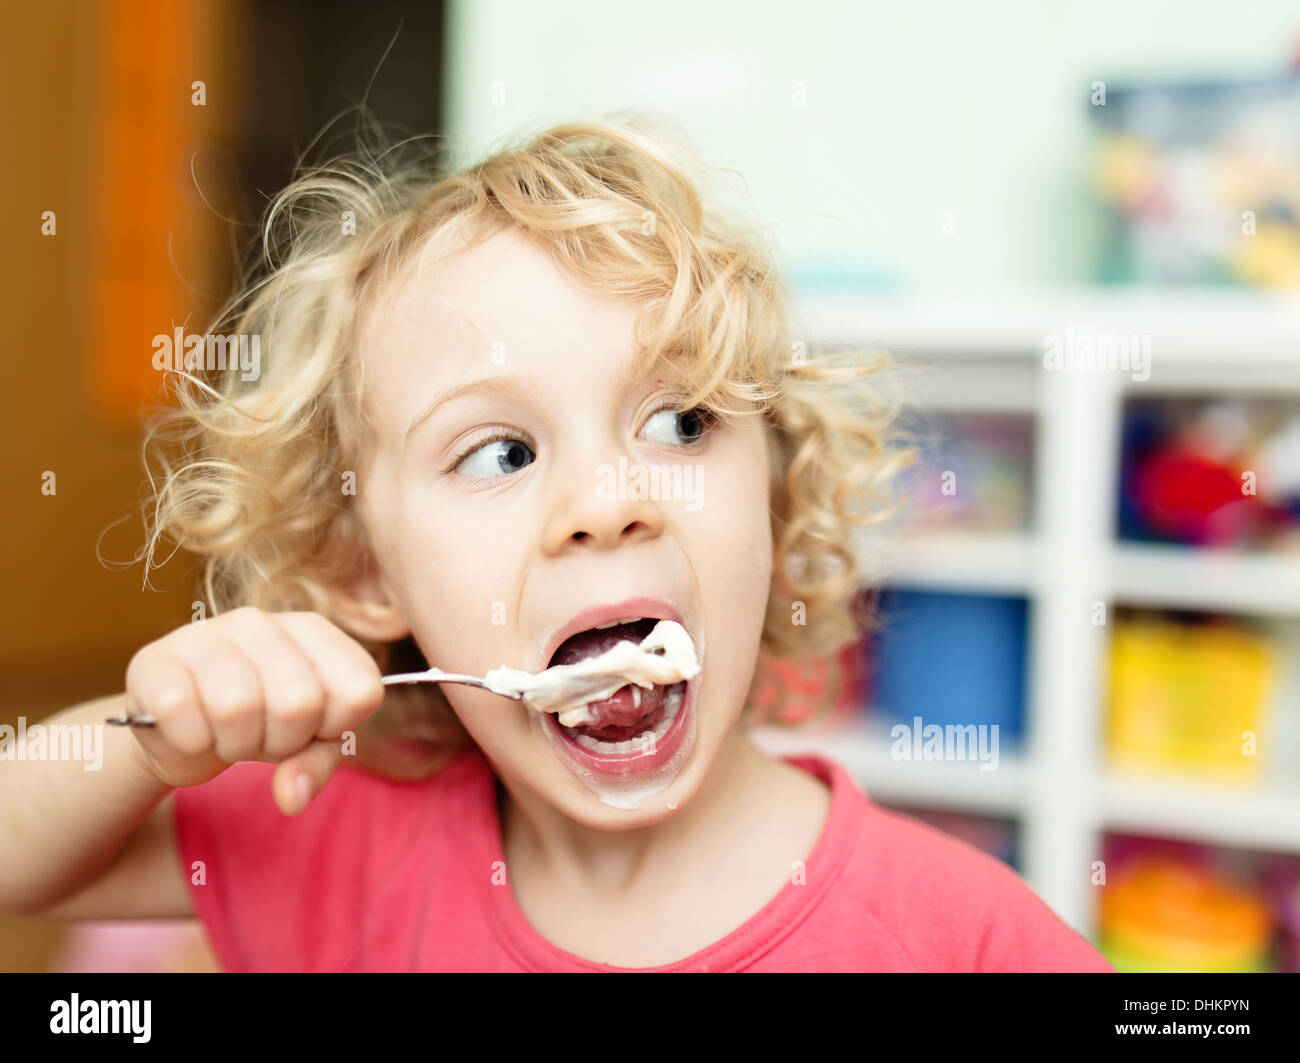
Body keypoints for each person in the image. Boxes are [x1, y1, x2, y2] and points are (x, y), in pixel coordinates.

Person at [1, 114, 1113, 972]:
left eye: (680, 422)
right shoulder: (336, 835)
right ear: (364, 572)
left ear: (772, 501)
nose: (605, 500)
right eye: (498, 453)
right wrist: (147, 737)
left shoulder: (959, 937)